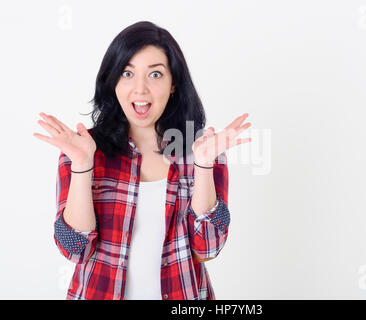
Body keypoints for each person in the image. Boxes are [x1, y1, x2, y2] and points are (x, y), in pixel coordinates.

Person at [33, 21, 251, 300]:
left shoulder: (202, 150)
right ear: (113, 81)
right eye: (127, 73)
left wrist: (204, 164)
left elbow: (207, 247)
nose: (140, 89)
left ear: (173, 84)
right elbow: (75, 250)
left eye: (155, 74)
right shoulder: (83, 148)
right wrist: (82, 165)